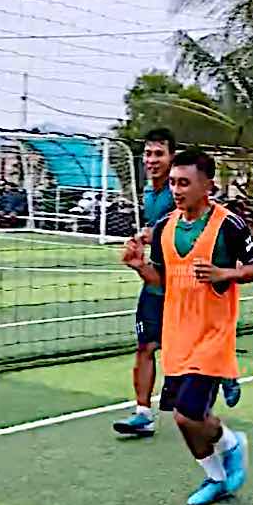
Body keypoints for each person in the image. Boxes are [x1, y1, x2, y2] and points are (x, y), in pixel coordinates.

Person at [121, 148, 253, 505]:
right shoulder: (166, 228)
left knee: (187, 416)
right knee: (185, 417)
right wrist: (140, 266)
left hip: (213, 337)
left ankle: (227, 452)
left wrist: (226, 274)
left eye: (184, 182)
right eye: (172, 182)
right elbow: (162, 282)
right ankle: (220, 468)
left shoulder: (229, 225)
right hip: (177, 336)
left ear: (207, 185)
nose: (176, 189)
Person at [113, 129, 175, 437]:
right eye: (148, 154)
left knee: (182, 353)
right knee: (145, 346)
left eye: (158, 154)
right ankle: (143, 413)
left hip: (183, 284)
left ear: (172, 157)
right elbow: (156, 228)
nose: (151, 160)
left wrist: (158, 233)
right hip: (156, 279)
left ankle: (222, 373)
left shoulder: (182, 190)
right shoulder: (148, 193)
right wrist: (141, 239)